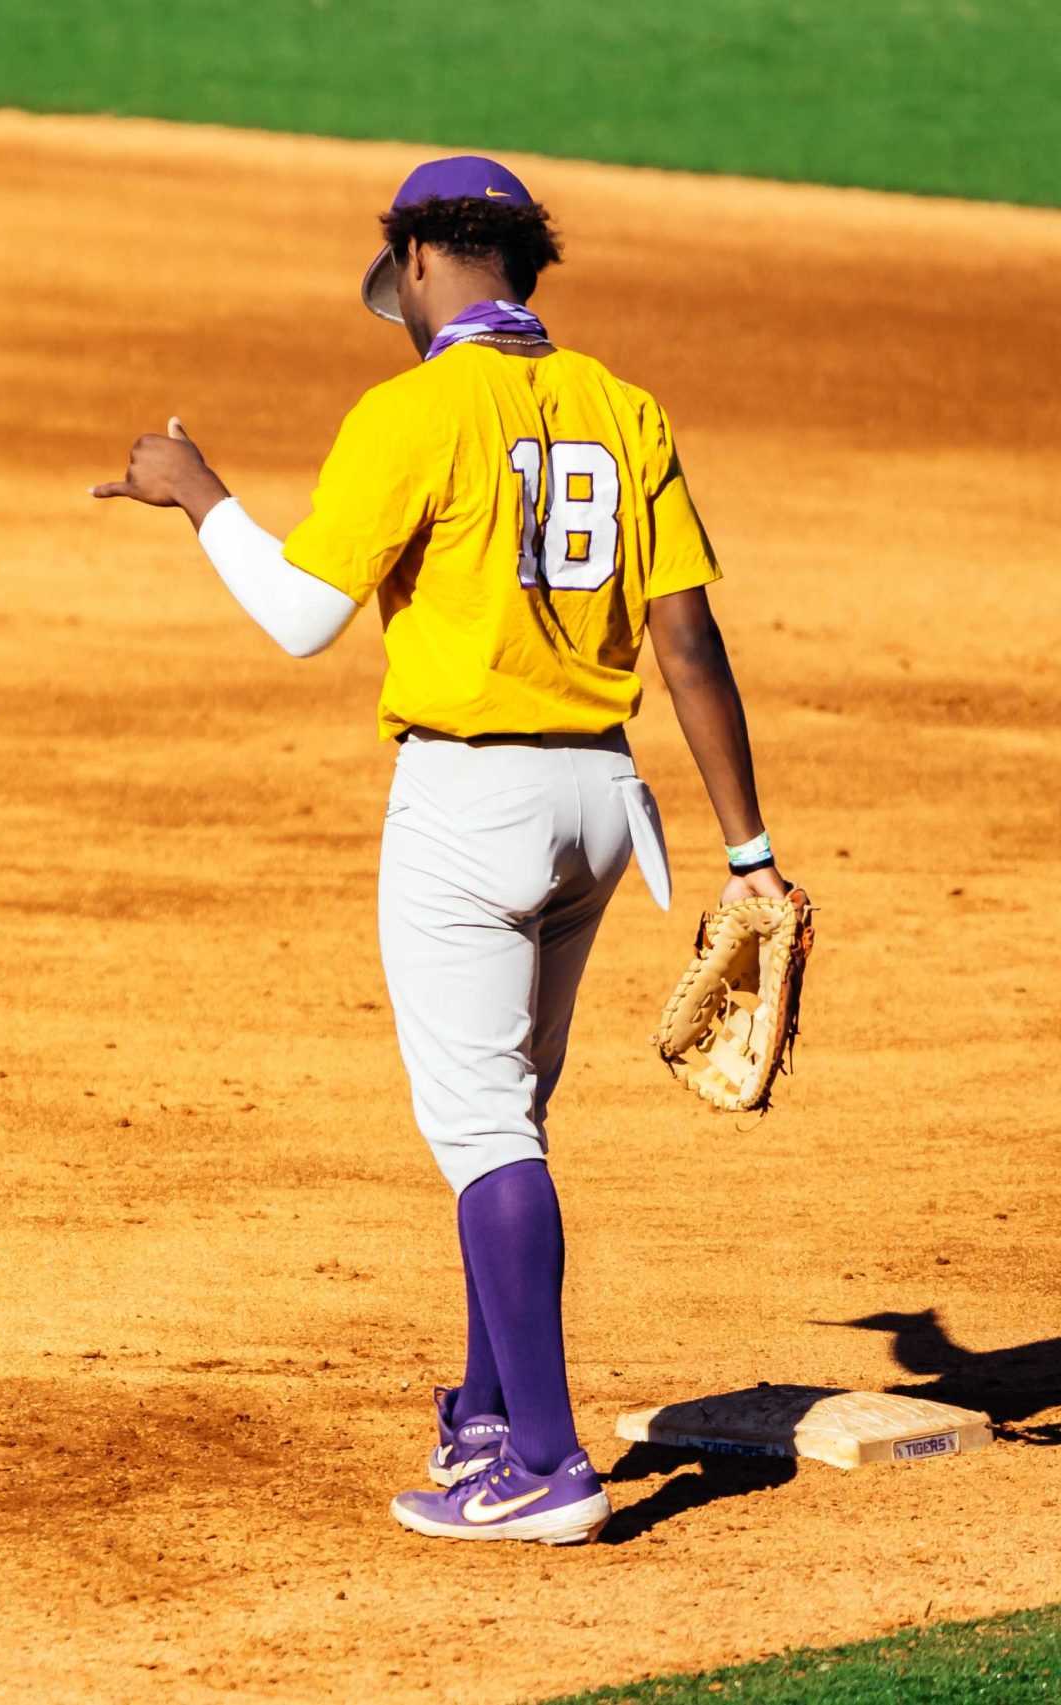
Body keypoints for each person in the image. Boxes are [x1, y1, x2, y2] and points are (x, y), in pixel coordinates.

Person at [90, 155, 787, 1545]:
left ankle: (546, 1463)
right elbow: (689, 639)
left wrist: (197, 489)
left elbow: (301, 616)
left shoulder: (413, 411)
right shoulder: (620, 406)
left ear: (418, 262)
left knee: (480, 1131)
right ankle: (484, 1411)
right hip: (606, 806)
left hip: (470, 810)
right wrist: (750, 848)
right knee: (513, 1113)